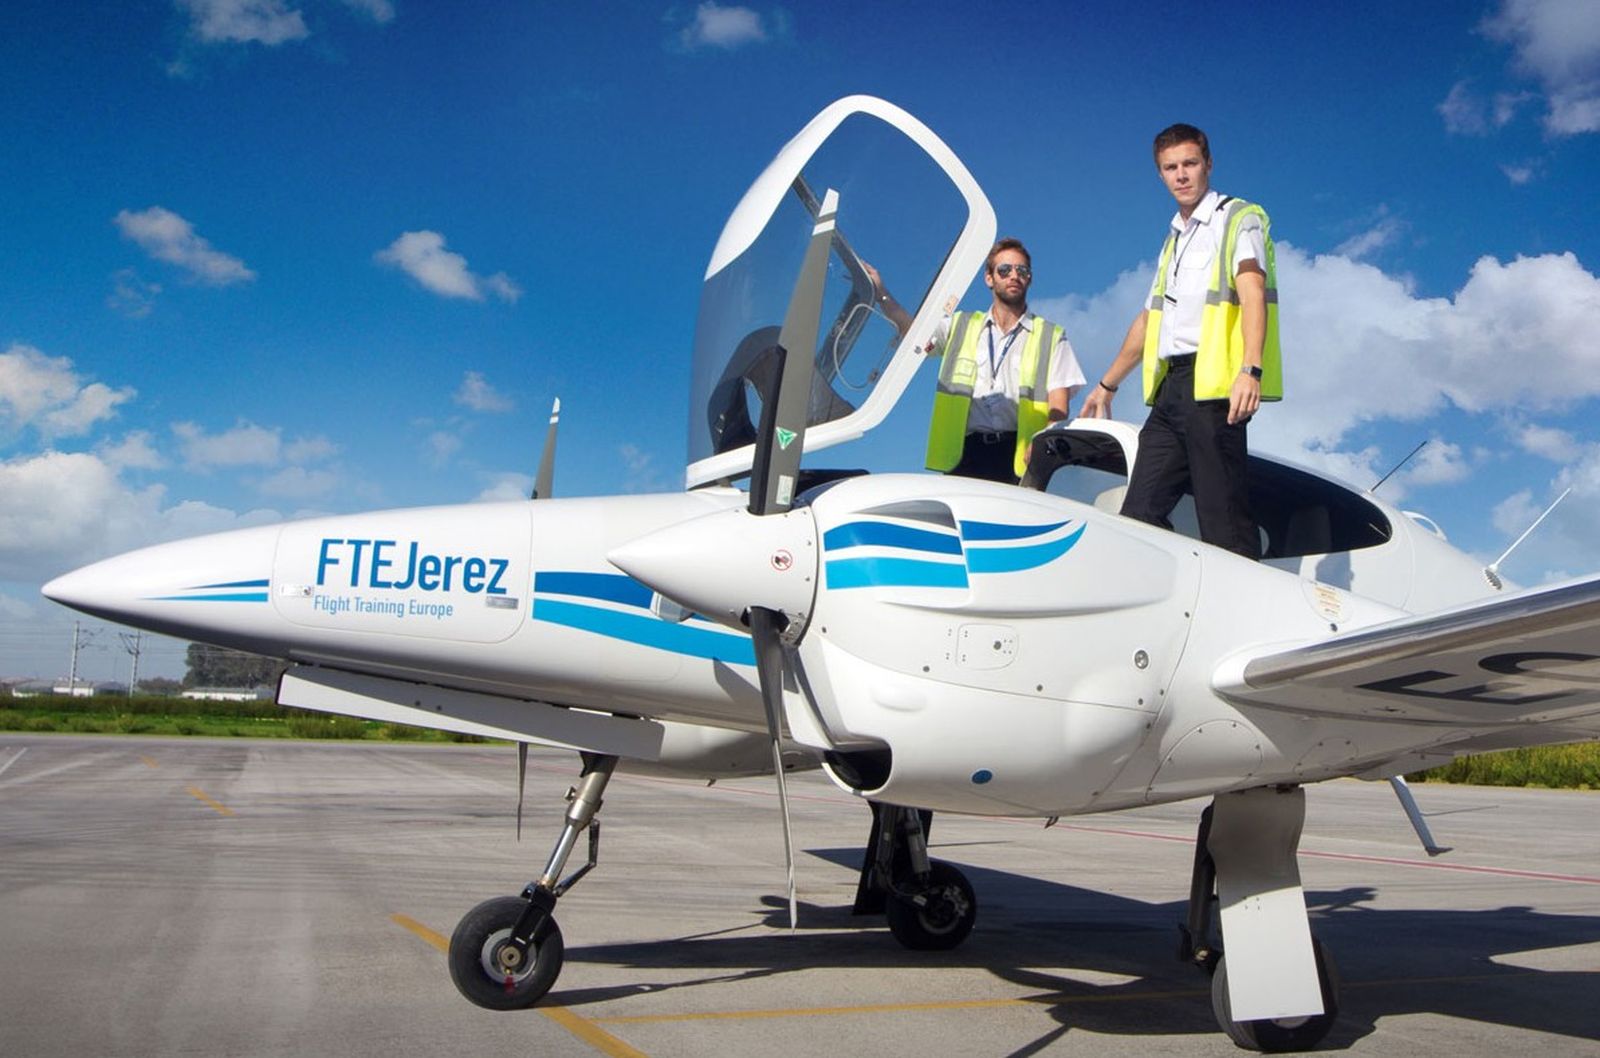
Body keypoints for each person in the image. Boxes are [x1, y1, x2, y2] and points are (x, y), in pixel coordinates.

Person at [1079, 124, 1281, 559]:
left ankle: (1241, 598)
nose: (1182, 175)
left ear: (1208, 164)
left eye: (1190, 163)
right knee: (1138, 515)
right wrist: (1107, 385)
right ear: (1160, 174)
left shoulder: (1236, 218)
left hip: (1214, 390)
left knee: (1223, 523)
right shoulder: (1173, 240)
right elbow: (1150, 319)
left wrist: (1250, 369)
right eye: (1171, 168)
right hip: (1170, 391)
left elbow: (1252, 292)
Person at [871, 239, 1084, 485]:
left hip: (1021, 459)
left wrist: (1043, 442)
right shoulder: (960, 325)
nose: (1014, 275)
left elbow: (1059, 405)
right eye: (1005, 270)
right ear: (989, 278)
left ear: (1029, 279)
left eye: (1022, 270)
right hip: (964, 457)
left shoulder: (1051, 335)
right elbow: (914, 335)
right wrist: (882, 295)